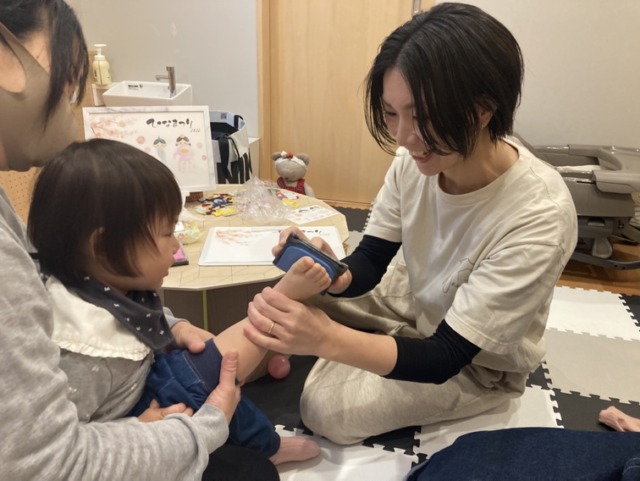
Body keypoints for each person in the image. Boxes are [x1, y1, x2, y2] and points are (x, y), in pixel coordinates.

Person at [244, 2, 578, 446]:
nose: (402, 137)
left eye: (421, 116)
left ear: (482, 111)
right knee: (290, 290)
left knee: (324, 410)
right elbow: (371, 260)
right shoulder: (413, 162)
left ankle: (366, 347)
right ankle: (371, 344)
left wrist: (326, 339)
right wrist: (335, 273)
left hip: (476, 362)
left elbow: (445, 357)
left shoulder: (539, 215)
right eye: (391, 113)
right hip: (416, 297)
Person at [0, 2, 273, 479]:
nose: (72, 106)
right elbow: (51, 458)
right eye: (69, 84)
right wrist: (200, 425)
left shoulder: (85, 279)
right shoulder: (81, 345)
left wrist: (174, 325)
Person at [28, 138, 324, 465]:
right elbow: (67, 442)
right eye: (167, 233)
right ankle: (281, 298)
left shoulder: (105, 282)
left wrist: (177, 326)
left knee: (212, 374)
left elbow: (141, 314)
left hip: (146, 381)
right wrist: (135, 430)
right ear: (104, 246)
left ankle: (266, 444)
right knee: (198, 373)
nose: (176, 246)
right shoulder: (80, 349)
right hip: (126, 431)